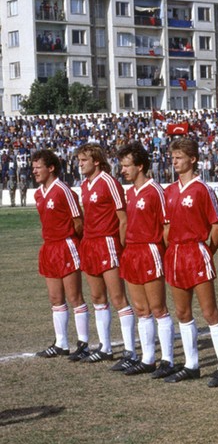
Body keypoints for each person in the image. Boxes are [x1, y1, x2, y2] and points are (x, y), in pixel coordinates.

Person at [161, 137, 218, 384]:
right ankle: (192, 365)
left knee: (210, 311)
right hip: (176, 255)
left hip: (197, 253)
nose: (174, 162)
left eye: (179, 157)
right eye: (173, 158)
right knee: (182, 312)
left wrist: (205, 252)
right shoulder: (169, 191)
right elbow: (167, 227)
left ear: (192, 159)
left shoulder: (203, 189)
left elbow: (217, 227)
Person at [76, 144, 138, 369]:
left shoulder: (109, 182)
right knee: (98, 298)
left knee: (118, 298)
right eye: (79, 160)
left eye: (84, 160)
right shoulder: (84, 185)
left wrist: (122, 246)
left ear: (96, 162)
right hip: (90, 244)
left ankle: (130, 350)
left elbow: (123, 219)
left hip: (108, 243)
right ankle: (105, 348)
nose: (80, 164)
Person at [116, 142, 174, 376]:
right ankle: (148, 358)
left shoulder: (155, 190)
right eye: (122, 166)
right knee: (141, 309)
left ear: (140, 166)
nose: (123, 170)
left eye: (127, 165)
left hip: (150, 251)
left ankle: (168, 359)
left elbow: (167, 225)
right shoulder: (130, 192)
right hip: (132, 252)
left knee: (158, 307)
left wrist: (161, 250)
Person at [32, 149, 90, 361]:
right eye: (33, 168)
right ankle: (61, 343)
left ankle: (83, 343)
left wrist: (73, 242)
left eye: (38, 167)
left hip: (66, 245)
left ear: (51, 168)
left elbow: (78, 221)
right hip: (49, 247)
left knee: (75, 296)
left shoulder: (63, 190)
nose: (34, 171)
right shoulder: (39, 193)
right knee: (55, 298)